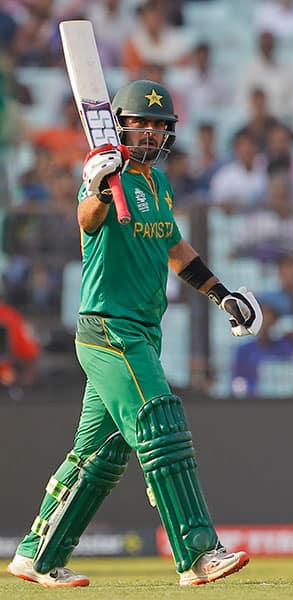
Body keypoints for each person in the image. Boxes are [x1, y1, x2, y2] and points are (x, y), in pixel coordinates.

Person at [7, 79, 263, 588]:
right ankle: (197, 552)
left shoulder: (157, 185)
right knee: (159, 421)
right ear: (118, 126)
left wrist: (222, 294)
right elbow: (88, 217)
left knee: (99, 455)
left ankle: (37, 555)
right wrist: (102, 186)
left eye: (158, 124)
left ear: (169, 134)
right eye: (139, 122)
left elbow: (176, 250)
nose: (149, 131)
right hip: (109, 326)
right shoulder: (103, 174)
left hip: (143, 331)